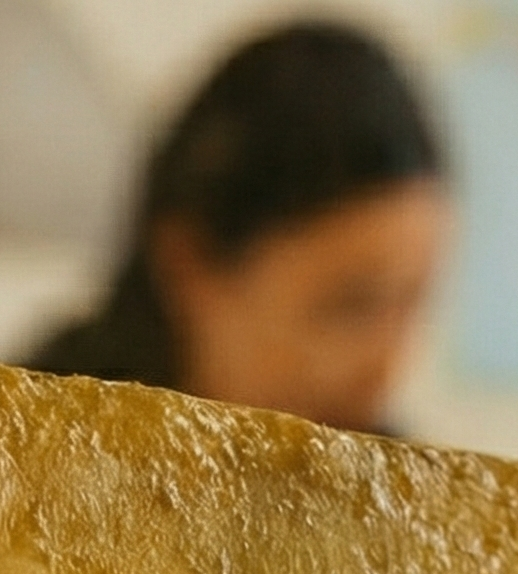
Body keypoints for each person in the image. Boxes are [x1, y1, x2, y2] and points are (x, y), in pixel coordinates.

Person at [23, 20, 452, 434]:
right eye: (352, 306)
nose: (386, 370)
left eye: (412, 303)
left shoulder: (402, 494)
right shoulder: (17, 442)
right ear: (189, 263)